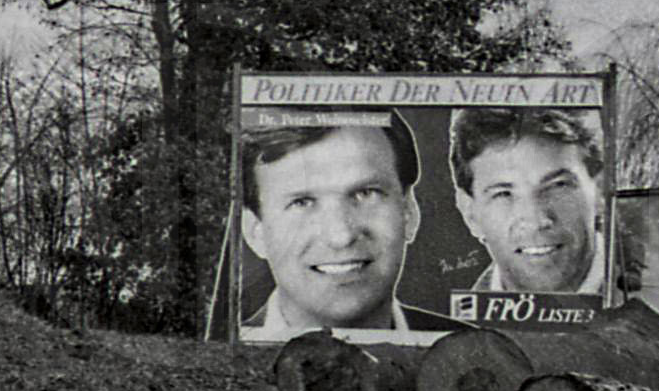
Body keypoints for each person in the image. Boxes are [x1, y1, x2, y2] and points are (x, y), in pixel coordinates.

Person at [236, 109, 460, 336]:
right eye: (302, 202)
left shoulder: (481, 349)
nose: (341, 237)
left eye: (366, 193)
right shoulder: (216, 352)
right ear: (255, 231)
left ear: (409, 211)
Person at [450, 107, 605, 295]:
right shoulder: (450, 322)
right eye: (503, 194)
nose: (535, 221)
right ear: (470, 213)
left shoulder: (648, 293)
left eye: (558, 186)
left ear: (600, 192)